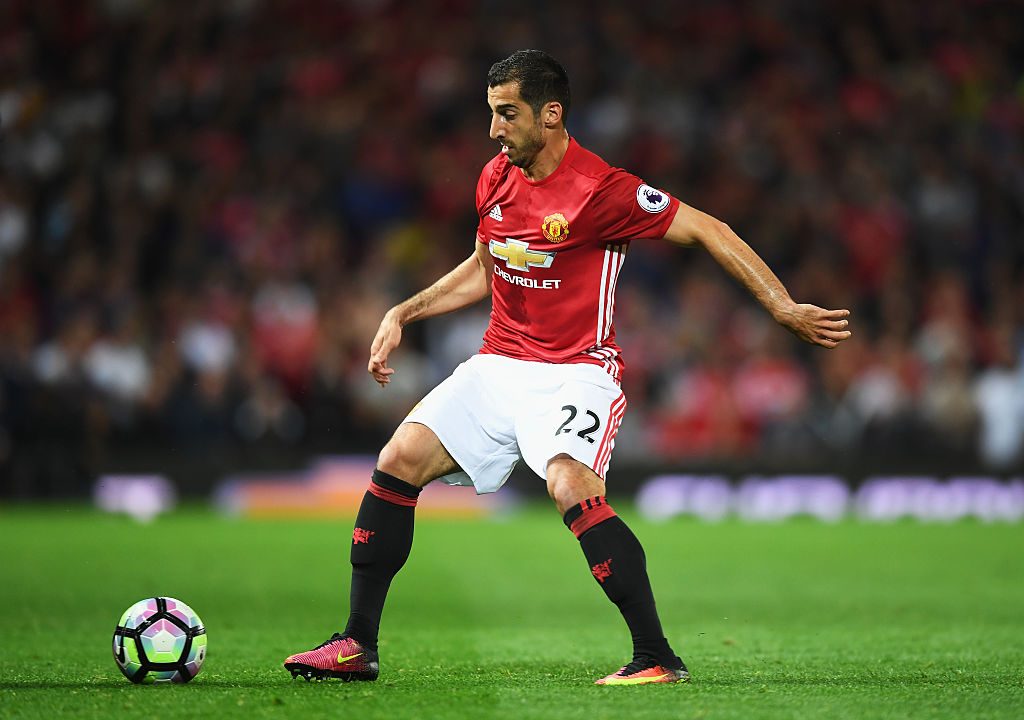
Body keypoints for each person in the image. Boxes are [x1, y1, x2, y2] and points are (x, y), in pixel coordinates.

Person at [283, 49, 852, 686]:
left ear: (550, 114)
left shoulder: (603, 189)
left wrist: (781, 305)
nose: (494, 130)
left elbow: (709, 229)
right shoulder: (495, 178)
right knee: (397, 460)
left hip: (576, 369)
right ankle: (357, 643)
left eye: (508, 114)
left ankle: (656, 657)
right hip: (498, 363)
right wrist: (403, 312)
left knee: (569, 486)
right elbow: (486, 267)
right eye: (492, 113)